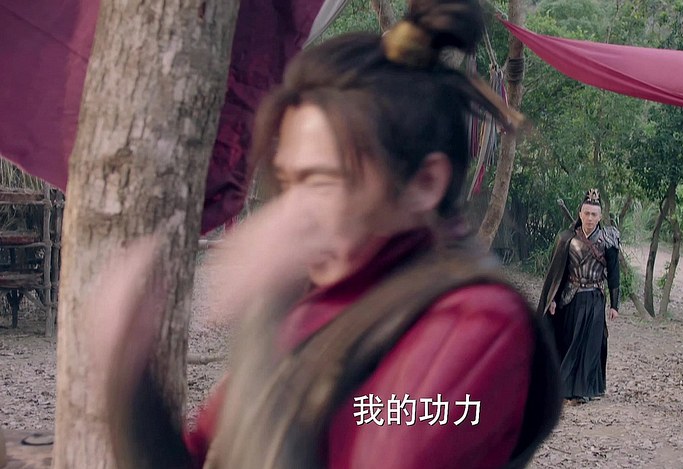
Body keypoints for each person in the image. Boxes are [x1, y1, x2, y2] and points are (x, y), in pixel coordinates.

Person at [94, 1, 561, 468]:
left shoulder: (481, 323)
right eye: (289, 182)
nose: (292, 214)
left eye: (321, 182)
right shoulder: (319, 305)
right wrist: (131, 377)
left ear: (424, 184)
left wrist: (263, 315)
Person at [537, 189, 620, 404]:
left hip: (595, 298)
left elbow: (614, 273)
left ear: (600, 217)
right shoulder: (567, 239)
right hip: (571, 297)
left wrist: (615, 305)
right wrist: (553, 299)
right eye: (587, 213)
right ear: (580, 214)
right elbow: (558, 273)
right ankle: (564, 387)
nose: (590, 218)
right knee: (569, 342)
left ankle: (583, 390)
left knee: (589, 345)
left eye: (594, 214)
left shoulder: (608, 239)